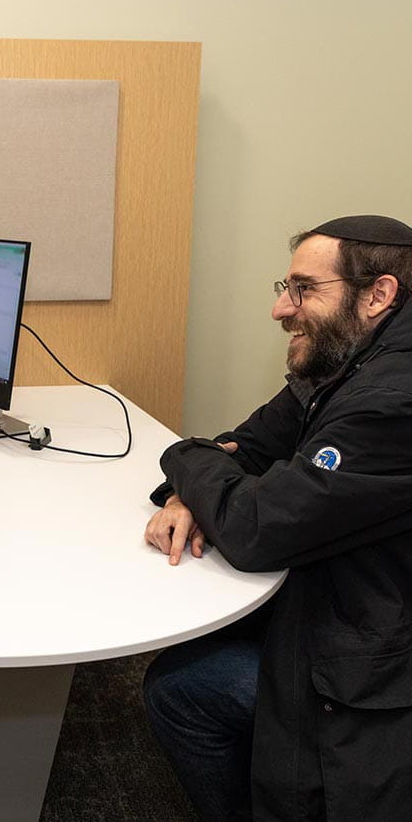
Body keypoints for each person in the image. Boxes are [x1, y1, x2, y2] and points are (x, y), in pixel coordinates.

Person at [140, 215, 412, 821]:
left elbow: (253, 529)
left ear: (378, 294)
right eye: (284, 288)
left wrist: (186, 458)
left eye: (305, 289)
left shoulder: (392, 401)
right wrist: (195, 489)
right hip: (342, 600)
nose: (281, 310)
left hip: (381, 662)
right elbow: (246, 447)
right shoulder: (347, 361)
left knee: (184, 690)